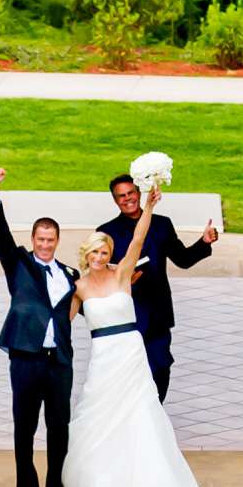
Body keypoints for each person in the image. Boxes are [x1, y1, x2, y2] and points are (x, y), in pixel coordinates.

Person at [63, 186, 207, 487]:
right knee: (101, 417)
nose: (99, 258)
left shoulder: (123, 274)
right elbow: (61, 322)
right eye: (94, 254)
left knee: (142, 413)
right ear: (85, 256)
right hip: (103, 358)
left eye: (104, 253)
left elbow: (139, 240)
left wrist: (148, 208)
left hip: (130, 352)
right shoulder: (79, 288)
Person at [0, 169, 79, 487]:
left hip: (59, 362)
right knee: (25, 427)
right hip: (25, 358)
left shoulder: (70, 274)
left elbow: (91, 301)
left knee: (59, 429)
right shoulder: (18, 262)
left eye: (51, 240)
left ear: (57, 241)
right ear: (34, 239)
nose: (45, 245)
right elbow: (1, 235)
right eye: (40, 239)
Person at [96, 169, 216, 401]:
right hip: (127, 313)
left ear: (139, 193)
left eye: (131, 193)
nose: (128, 198)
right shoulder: (106, 231)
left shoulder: (162, 224)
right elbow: (99, 274)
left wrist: (204, 242)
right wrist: (121, 281)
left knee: (160, 366)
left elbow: (183, 259)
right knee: (129, 370)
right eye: (121, 196)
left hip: (159, 311)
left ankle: (154, 411)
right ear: (115, 200)